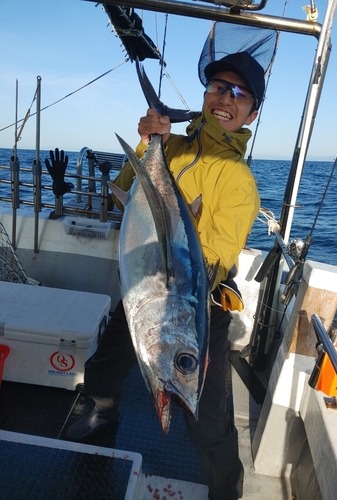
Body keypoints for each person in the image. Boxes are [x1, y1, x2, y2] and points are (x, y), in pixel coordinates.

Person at [66, 51, 263, 500]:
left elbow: (215, 254)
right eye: (217, 88)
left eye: (237, 94)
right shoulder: (169, 147)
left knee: (208, 415)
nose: (224, 99)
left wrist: (173, 269)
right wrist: (146, 144)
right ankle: (96, 431)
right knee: (104, 367)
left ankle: (225, 490)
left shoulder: (238, 180)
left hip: (197, 306)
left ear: (252, 111)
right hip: (143, 291)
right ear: (206, 93)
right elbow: (126, 198)